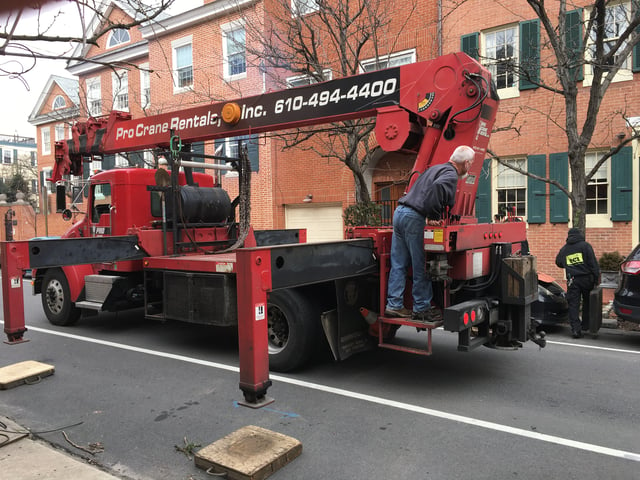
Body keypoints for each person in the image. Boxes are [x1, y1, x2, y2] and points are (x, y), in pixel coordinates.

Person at [384, 145, 475, 322]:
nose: (470, 167)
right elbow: (438, 187)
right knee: (421, 265)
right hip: (414, 218)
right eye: (470, 164)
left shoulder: (435, 168)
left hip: (400, 213)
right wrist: (434, 215)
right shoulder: (450, 174)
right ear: (465, 163)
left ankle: (394, 305)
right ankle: (421, 308)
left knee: (399, 263)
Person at [555, 228, 601, 338]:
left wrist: (568, 265)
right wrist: (596, 279)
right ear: (579, 235)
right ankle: (586, 325)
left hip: (573, 280)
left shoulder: (565, 249)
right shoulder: (585, 246)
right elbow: (593, 264)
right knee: (587, 303)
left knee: (573, 305)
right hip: (587, 279)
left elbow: (558, 262)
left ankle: (576, 330)